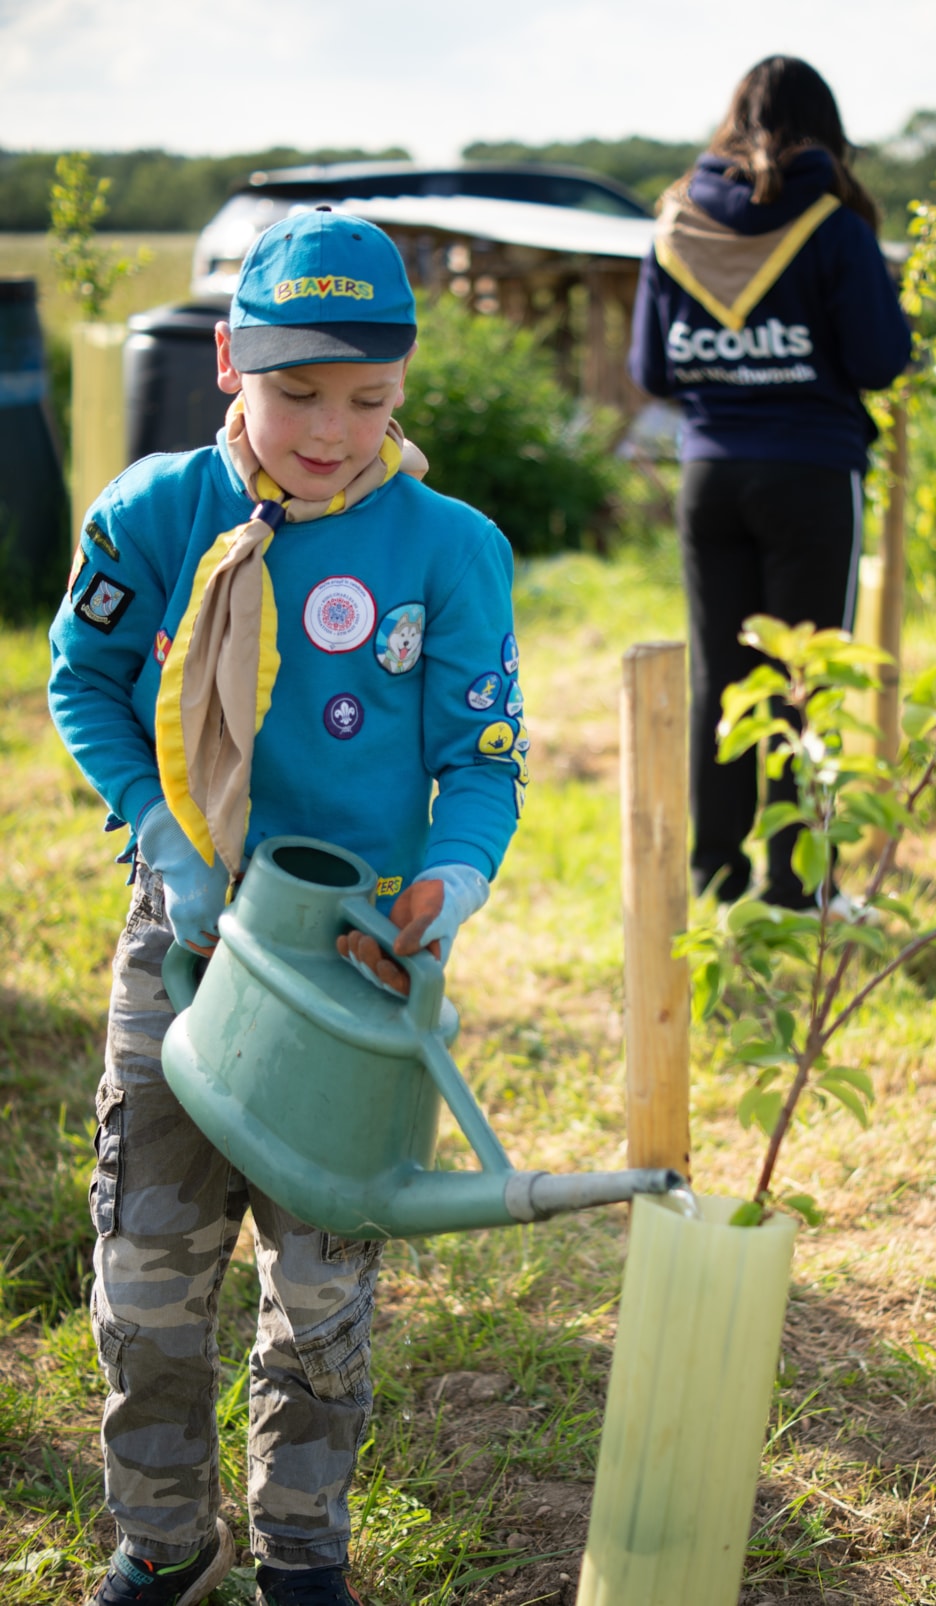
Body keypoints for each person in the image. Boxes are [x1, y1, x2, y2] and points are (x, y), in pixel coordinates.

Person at [48, 209, 527, 1606]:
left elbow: (478, 767)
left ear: (403, 384)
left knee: (321, 1287)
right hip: (186, 944)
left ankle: (304, 1551)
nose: (333, 429)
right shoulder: (153, 515)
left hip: (355, 968)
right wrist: (160, 834)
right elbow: (82, 678)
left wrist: (445, 890)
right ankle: (163, 1537)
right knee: (148, 1267)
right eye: (298, 391)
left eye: (369, 399)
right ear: (226, 363)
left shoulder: (449, 550)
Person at [627, 54, 911, 911]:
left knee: (722, 676)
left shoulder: (675, 223)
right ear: (826, 130)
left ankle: (717, 877)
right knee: (806, 679)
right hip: (812, 477)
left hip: (710, 475)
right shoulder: (833, 226)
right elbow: (878, 360)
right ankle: (800, 887)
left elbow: (650, 369)